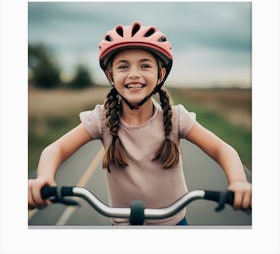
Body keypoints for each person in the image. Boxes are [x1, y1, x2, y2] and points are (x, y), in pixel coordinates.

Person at [28, 21, 252, 226]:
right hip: (123, 226)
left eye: (145, 66)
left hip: (173, 224)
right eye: (123, 67)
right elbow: (55, 148)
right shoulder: (102, 119)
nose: (134, 74)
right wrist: (45, 177)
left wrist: (238, 182)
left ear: (160, 73)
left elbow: (222, 149)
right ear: (110, 75)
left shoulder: (176, 118)